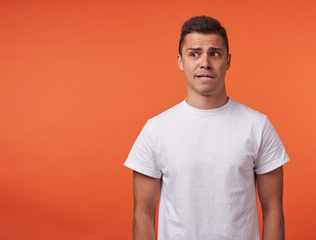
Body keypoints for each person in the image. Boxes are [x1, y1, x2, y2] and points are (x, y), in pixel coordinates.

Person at [124, 16, 290, 240]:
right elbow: (142, 214)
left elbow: (273, 212)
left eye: (214, 53)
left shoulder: (258, 126)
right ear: (180, 61)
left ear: (228, 61)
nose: (205, 63)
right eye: (194, 53)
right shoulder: (155, 130)